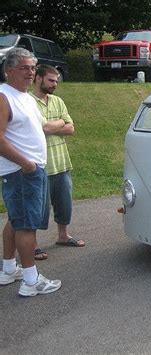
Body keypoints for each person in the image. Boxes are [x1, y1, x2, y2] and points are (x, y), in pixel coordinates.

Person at [0, 48, 61, 296]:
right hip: (21, 172)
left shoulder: (24, 97)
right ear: (9, 70)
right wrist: (27, 164)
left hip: (29, 171)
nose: (30, 72)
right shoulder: (4, 97)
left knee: (16, 220)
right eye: (24, 67)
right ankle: (30, 280)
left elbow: (39, 127)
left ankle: (8, 269)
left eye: (33, 68)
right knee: (26, 226)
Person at [30, 64, 84, 260]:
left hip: (61, 161)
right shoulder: (28, 102)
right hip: (40, 164)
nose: (55, 84)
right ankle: (33, 244)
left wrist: (56, 125)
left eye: (56, 81)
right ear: (38, 78)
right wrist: (61, 122)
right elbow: (41, 128)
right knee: (38, 206)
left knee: (64, 203)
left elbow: (71, 129)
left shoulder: (58, 101)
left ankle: (63, 235)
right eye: (51, 80)